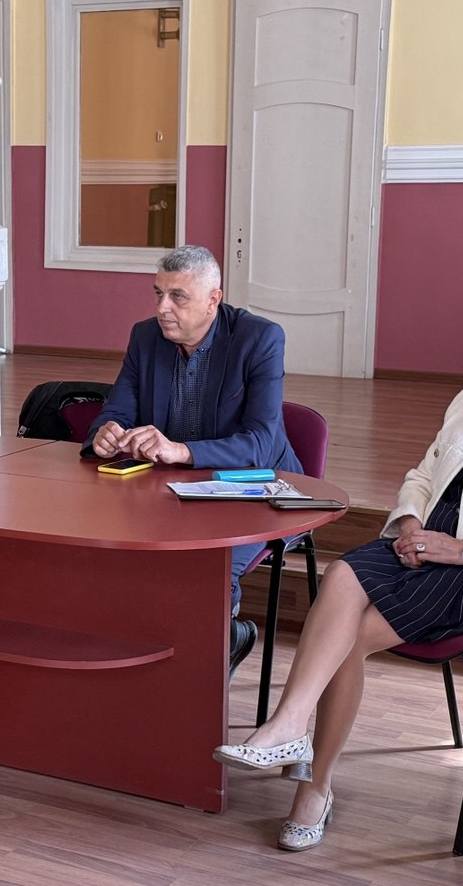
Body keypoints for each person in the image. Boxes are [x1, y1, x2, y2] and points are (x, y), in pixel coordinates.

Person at [214, 294, 463, 852]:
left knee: (348, 639)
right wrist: (411, 520)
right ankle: (289, 730)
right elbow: (422, 474)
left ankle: (313, 786)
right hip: (423, 545)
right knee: (342, 573)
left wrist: (461, 550)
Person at [81, 244, 302, 675]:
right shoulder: (146, 336)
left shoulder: (259, 339)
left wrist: (181, 451)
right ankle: (150, 662)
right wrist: (105, 434)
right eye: (158, 293)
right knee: (108, 548)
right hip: (173, 490)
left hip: (258, 489)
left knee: (208, 564)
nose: (162, 308)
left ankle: (208, 662)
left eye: (177, 297)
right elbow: (116, 410)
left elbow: (259, 442)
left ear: (213, 300)